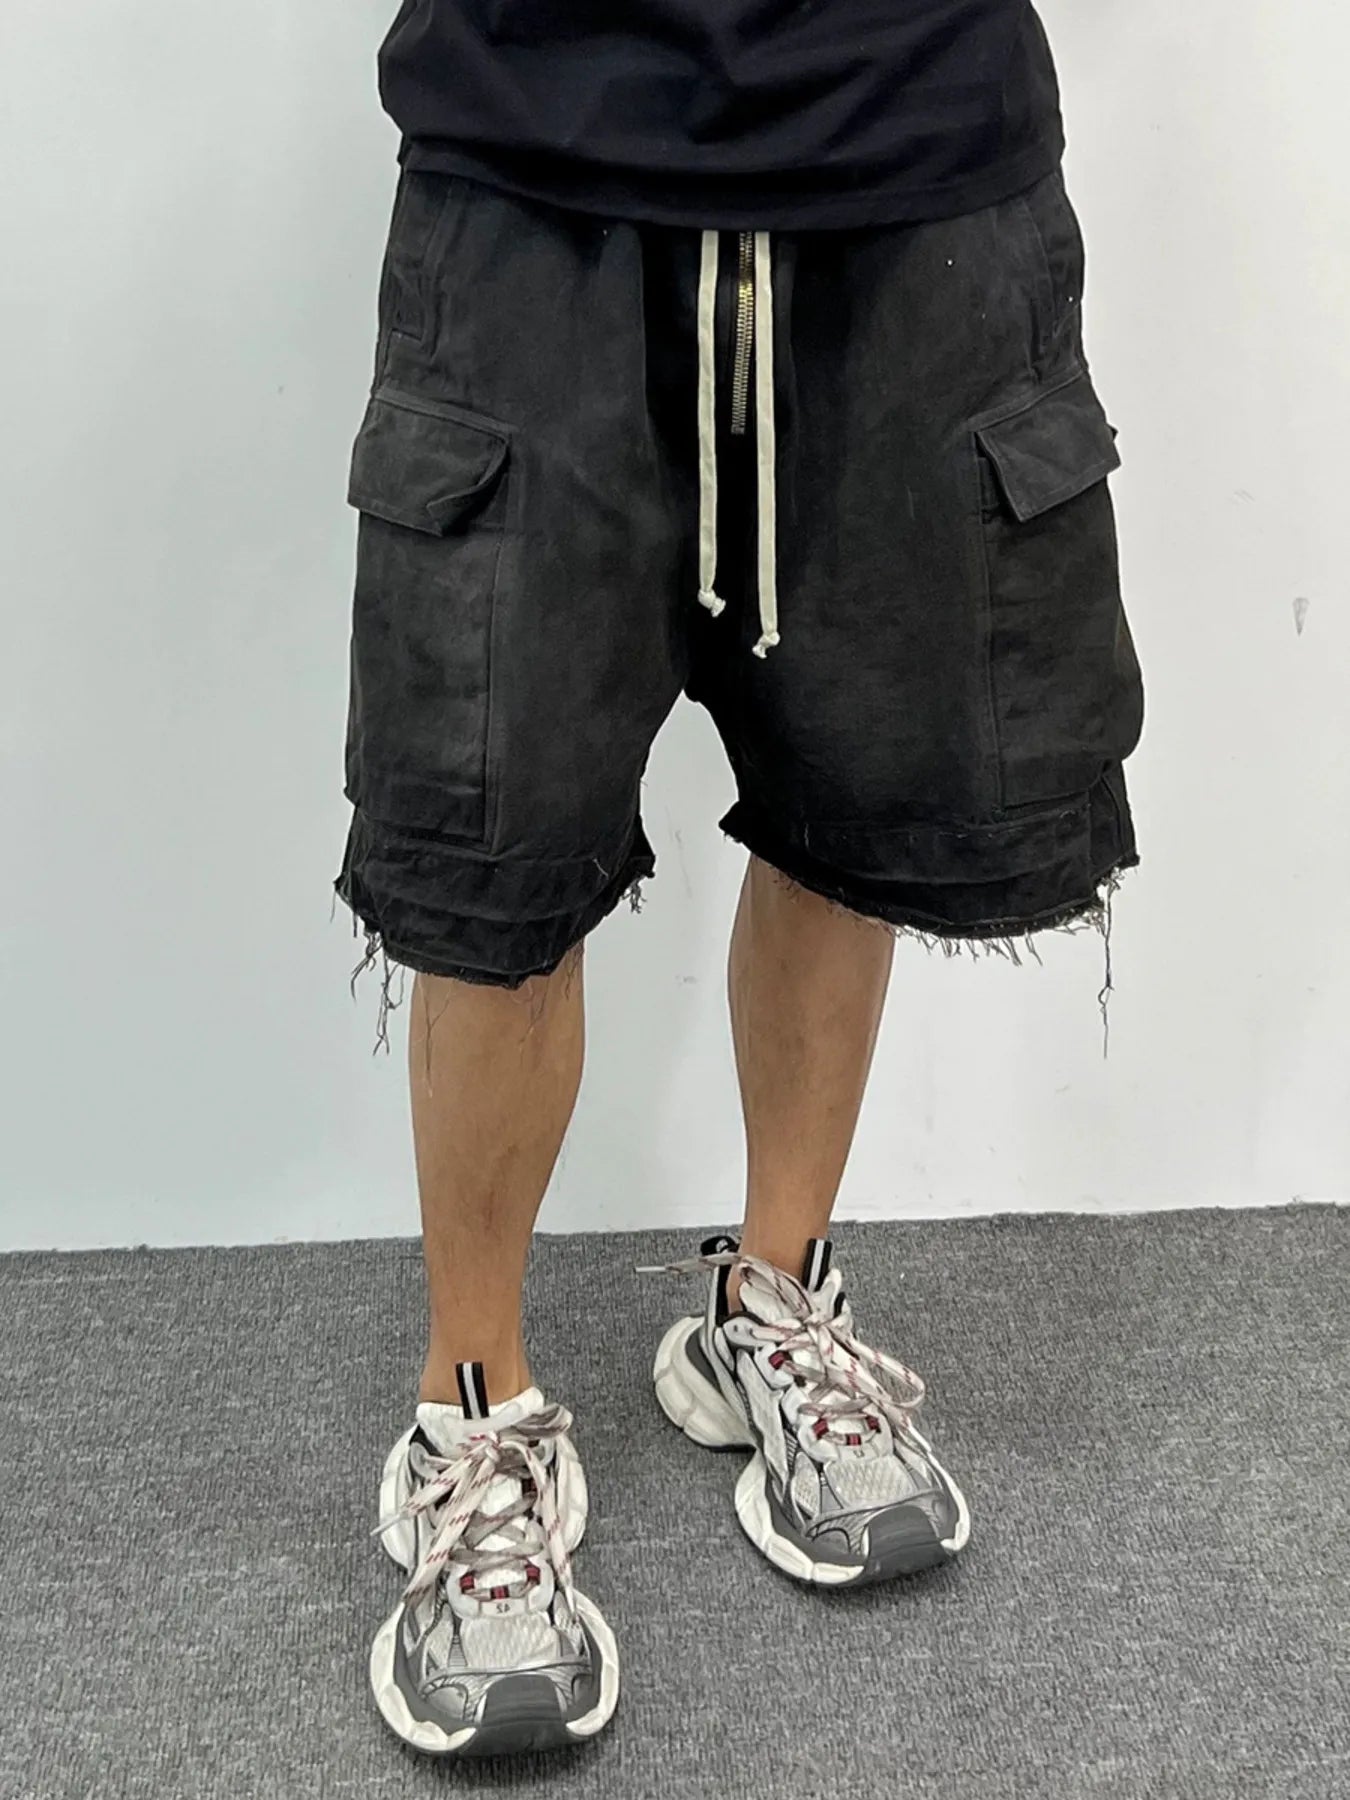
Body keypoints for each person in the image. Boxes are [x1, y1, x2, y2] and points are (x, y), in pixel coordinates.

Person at [338, 0, 1145, 1760]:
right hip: (536, 156)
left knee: (861, 778)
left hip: (909, 145)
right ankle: (469, 1412)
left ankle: (770, 1301)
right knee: (494, 836)